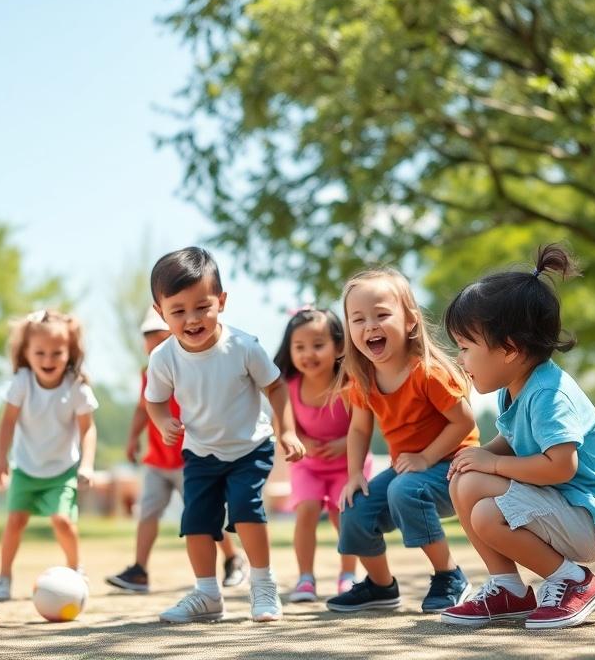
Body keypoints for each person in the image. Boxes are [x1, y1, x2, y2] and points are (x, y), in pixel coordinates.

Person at [440, 244, 595, 629]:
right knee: (463, 482)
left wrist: (492, 463)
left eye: (464, 347)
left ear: (509, 348)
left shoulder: (549, 393)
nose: (459, 360)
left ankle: (575, 582)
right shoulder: (513, 388)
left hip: (593, 515)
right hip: (563, 506)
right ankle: (508, 589)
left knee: (485, 509)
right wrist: (478, 457)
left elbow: (561, 466)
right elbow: (513, 439)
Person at [144, 246, 305, 623]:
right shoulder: (163, 358)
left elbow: (277, 387)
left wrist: (287, 432)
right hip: (201, 452)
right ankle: (207, 594)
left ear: (222, 301)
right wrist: (162, 420)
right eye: (178, 311)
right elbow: (154, 401)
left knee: (247, 509)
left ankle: (263, 584)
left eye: (203, 306)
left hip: (251, 446)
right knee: (197, 522)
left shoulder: (243, 346)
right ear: (160, 313)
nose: (192, 319)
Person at [327, 268, 478, 615]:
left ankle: (450, 575)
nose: (370, 326)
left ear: (410, 321)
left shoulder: (427, 373)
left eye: (381, 315)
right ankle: (381, 587)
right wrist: (353, 475)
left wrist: (426, 457)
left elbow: (464, 421)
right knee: (354, 507)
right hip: (410, 469)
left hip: (456, 467)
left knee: (404, 490)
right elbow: (359, 430)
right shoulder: (363, 378)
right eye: (358, 319)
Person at [106, 307, 247, 594]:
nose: (150, 342)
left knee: (207, 515)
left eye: (156, 335)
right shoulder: (148, 372)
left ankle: (233, 559)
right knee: (147, 514)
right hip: (157, 461)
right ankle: (139, 571)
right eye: (146, 336)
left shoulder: (192, 366)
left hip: (190, 460)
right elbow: (143, 408)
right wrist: (133, 439)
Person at [0, 309, 98, 601]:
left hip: (62, 470)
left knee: (63, 521)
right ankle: (3, 577)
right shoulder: (22, 382)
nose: (48, 360)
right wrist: (1, 459)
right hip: (26, 468)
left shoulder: (76, 386)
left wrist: (86, 466)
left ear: (70, 352)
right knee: (14, 522)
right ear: (26, 353)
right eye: (40, 353)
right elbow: (7, 423)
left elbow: (88, 429)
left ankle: (76, 569)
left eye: (57, 353)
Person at [272, 307, 372, 603]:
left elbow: (362, 425)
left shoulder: (350, 383)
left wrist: (344, 444)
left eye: (318, 345)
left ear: (339, 346)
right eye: (299, 347)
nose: (308, 354)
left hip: (348, 462)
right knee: (306, 511)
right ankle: (305, 577)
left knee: (344, 514)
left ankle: (347, 575)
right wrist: (300, 442)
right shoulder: (287, 388)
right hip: (309, 465)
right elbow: (284, 429)